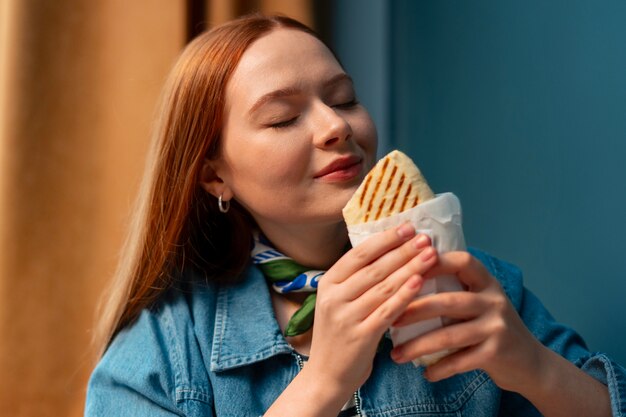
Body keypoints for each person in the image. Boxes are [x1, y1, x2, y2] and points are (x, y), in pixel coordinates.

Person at [85, 13, 625, 416]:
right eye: (283, 118)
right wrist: (321, 384)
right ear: (214, 176)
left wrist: (532, 367)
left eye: (343, 100)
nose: (335, 127)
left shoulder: (474, 286)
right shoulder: (164, 345)